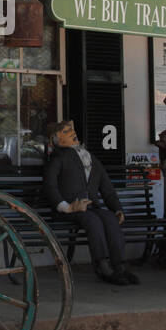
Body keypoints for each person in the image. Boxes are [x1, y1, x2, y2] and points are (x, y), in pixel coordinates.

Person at [43, 119, 138, 286]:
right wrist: (68, 207)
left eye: (72, 130)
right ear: (57, 139)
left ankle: (120, 265)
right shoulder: (58, 158)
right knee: (92, 221)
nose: (72, 133)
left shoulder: (90, 158)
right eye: (66, 132)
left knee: (109, 218)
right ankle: (102, 265)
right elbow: (50, 186)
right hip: (70, 210)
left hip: (91, 206)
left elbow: (107, 188)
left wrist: (117, 208)